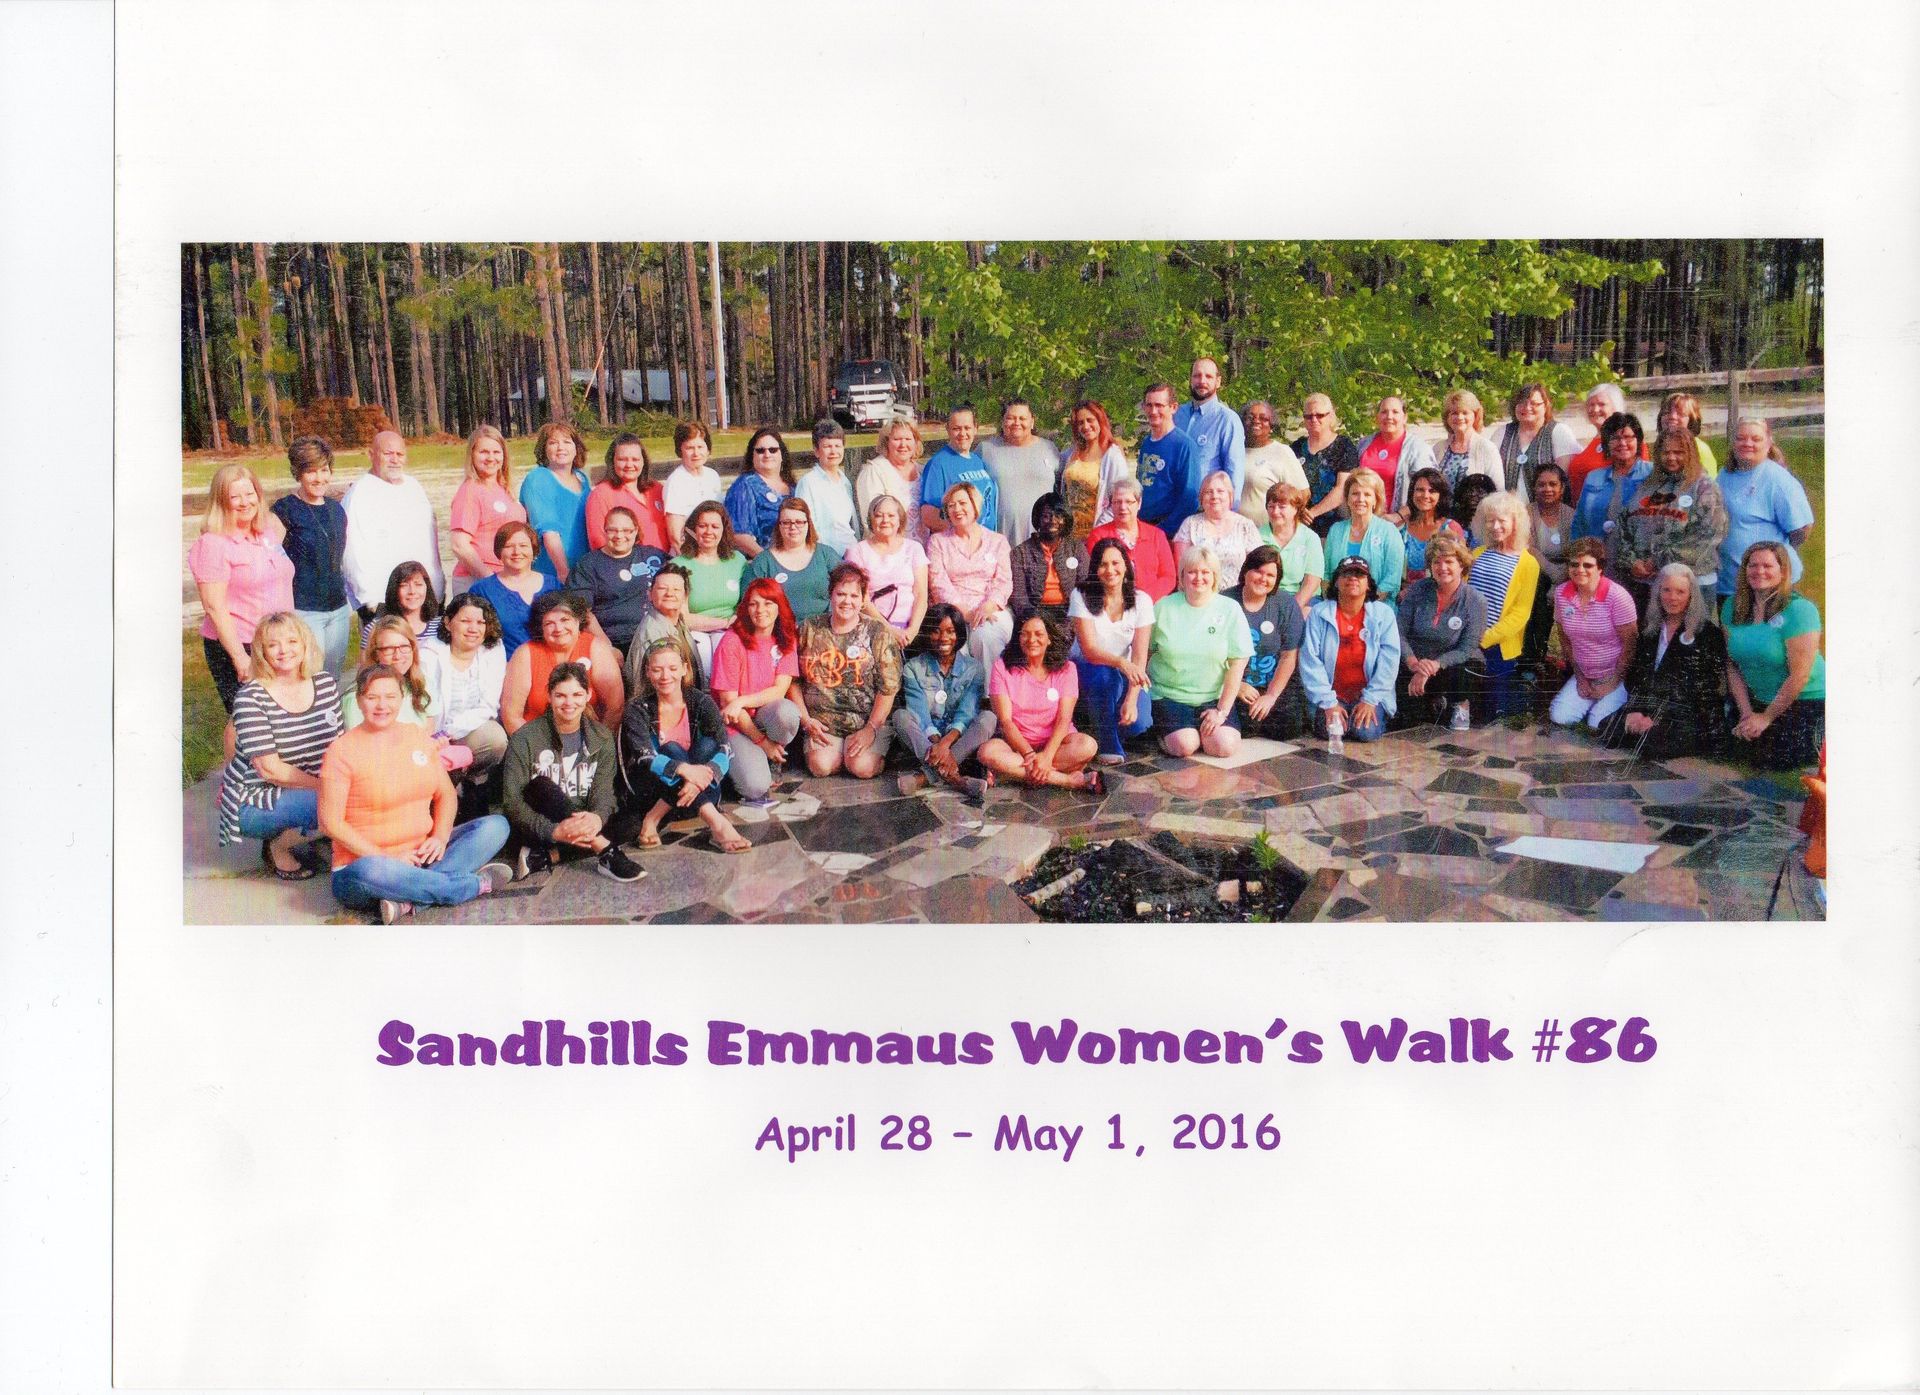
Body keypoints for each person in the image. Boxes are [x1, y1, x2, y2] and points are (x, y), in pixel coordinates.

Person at [318, 664, 513, 923]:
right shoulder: (341, 751)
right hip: (368, 865)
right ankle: (468, 887)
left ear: (402, 699)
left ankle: (408, 901)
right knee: (371, 871)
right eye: (372, 697)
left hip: (422, 855)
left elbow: (446, 795)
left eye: (390, 697)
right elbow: (330, 823)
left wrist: (441, 837)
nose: (381, 705)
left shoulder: (415, 736)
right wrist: (388, 857)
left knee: (496, 826)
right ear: (359, 700)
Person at [216, 612, 343, 879]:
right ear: (262, 652)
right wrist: (327, 787)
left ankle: (323, 834)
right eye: (273, 645)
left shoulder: (325, 685)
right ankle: (278, 846)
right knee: (341, 801)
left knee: (358, 795)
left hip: (307, 786)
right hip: (257, 798)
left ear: (305, 644)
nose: (284, 650)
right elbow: (270, 770)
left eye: (292, 641)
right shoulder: (252, 697)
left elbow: (339, 749)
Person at [502, 661, 645, 880]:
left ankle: (548, 857)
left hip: (583, 821)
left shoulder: (601, 737)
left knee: (633, 822)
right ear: (549, 696)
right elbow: (513, 803)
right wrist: (553, 831)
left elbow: (603, 791)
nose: (569, 703)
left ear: (588, 695)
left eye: (577, 695)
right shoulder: (525, 738)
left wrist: (597, 818)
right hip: (539, 824)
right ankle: (605, 851)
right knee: (541, 785)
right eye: (560, 696)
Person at [615, 642, 750, 853]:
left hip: (702, 789)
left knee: (708, 745)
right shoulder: (637, 708)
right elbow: (644, 756)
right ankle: (717, 824)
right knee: (671, 750)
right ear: (648, 672)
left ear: (684, 669)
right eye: (657, 669)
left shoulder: (701, 701)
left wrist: (697, 781)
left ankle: (654, 818)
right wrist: (686, 770)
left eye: (672, 668)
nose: (665, 676)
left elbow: (725, 748)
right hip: (652, 790)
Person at [191, 461, 297, 712]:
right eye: (234, 496)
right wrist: (240, 658)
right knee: (250, 722)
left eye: (250, 494)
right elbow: (214, 607)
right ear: (221, 501)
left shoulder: (266, 533)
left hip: (277, 640)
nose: (244, 502)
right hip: (240, 646)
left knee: (283, 715)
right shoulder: (213, 544)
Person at [1599, 563, 1726, 758]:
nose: (1672, 598)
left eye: (1680, 592)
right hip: (1651, 705)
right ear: (1658, 592)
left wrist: (1656, 718)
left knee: (1651, 744)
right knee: (1606, 728)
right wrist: (1636, 711)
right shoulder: (1650, 629)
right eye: (1666, 590)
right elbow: (1637, 676)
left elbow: (1698, 688)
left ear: (1691, 595)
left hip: (1688, 712)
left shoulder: (1707, 633)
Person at [792, 564, 904, 780]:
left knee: (862, 767)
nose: (847, 601)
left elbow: (888, 688)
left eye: (854, 595)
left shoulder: (877, 632)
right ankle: (836, 752)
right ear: (830, 595)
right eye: (841, 594)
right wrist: (806, 721)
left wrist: (870, 729)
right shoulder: (809, 628)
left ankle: (878, 749)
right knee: (821, 767)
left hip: (867, 720)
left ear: (863, 599)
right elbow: (792, 680)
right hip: (822, 722)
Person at [1722, 540, 1824, 769]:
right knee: (1732, 747)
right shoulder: (1732, 606)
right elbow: (1732, 664)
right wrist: (1747, 713)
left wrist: (1766, 718)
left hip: (1805, 700)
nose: (1759, 571)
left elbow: (1799, 676)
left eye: (1768, 566)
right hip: (1757, 701)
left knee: (1772, 758)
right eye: (1753, 565)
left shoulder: (1800, 610)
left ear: (1783, 571)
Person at [977, 609, 1103, 792]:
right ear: (1017, 638)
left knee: (1088, 746)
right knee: (988, 752)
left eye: (1038, 634)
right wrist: (1029, 754)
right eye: (1025, 634)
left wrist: (1046, 756)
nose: (1031, 640)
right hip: (1017, 746)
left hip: (1057, 744)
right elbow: (1005, 721)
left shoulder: (1067, 669)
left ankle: (1011, 773)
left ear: (1050, 638)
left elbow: (1064, 719)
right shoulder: (1002, 667)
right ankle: (1067, 780)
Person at [1148, 545, 1253, 757]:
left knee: (1224, 747)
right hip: (1170, 696)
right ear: (1182, 576)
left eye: (1206, 572)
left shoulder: (1230, 609)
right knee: (1184, 745)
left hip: (1213, 696)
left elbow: (1237, 664)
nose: (1199, 578)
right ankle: (1166, 733)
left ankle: (1203, 733)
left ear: (1215, 577)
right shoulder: (1162, 607)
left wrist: (1221, 711)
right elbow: (1146, 652)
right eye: (1192, 572)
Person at [709, 579, 802, 804]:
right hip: (735, 726)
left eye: (768, 603)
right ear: (745, 608)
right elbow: (729, 707)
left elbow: (780, 691)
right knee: (755, 787)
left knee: (788, 713)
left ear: (780, 607)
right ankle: (746, 761)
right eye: (753, 604)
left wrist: (742, 700)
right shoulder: (732, 642)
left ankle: (768, 758)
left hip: (764, 716)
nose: (760, 610)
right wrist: (762, 742)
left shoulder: (786, 639)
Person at [892, 603, 994, 799]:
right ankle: (956, 780)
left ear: (959, 634)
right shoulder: (913, 667)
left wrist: (946, 745)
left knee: (988, 718)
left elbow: (967, 713)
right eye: (936, 631)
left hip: (958, 738)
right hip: (926, 740)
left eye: (950, 631)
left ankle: (925, 777)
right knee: (901, 716)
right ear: (927, 633)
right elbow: (919, 714)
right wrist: (938, 746)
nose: (943, 638)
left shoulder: (975, 669)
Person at [1068, 537, 1156, 763]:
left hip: (1126, 670)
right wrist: (1122, 663)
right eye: (1103, 564)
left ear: (1126, 566)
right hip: (1088, 666)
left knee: (1139, 722)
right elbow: (1089, 650)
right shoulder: (1081, 595)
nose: (1110, 570)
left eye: (1116, 563)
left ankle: (1102, 724)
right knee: (1105, 677)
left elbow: (1139, 655)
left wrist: (1131, 698)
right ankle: (1109, 742)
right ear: (1095, 569)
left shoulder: (1142, 600)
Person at [1617, 428, 1729, 602]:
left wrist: (1657, 561)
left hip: (1692, 583)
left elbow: (1707, 537)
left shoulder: (1705, 488)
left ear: (1690, 453)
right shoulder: (1648, 486)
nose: (1671, 457)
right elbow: (1625, 524)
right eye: (1666, 452)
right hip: (1646, 584)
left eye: (1678, 452)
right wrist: (1631, 562)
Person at [1298, 555, 1401, 743]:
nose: (1352, 578)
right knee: (1331, 731)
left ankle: (1375, 715)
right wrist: (1329, 703)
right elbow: (1310, 661)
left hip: (1369, 694)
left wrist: (1370, 700)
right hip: (1332, 695)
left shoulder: (1383, 614)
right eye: (1346, 574)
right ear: (1336, 582)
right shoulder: (1319, 613)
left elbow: (1389, 662)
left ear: (1368, 584)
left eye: (1359, 575)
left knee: (1365, 733)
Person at [341, 429, 443, 615]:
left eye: (399, 454)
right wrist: (369, 601)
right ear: (371, 455)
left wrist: (437, 590)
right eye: (388, 454)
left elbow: (430, 545)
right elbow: (352, 555)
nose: (395, 460)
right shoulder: (360, 494)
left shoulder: (414, 487)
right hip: (382, 602)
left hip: (422, 599)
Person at [272, 436, 352, 673]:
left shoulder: (336, 509)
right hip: (304, 609)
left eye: (324, 470)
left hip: (338, 608)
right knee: (309, 675)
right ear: (298, 473)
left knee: (333, 677)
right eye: (311, 471)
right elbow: (268, 562)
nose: (319, 478)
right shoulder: (284, 510)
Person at [1715, 414, 1814, 601]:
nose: (1747, 443)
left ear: (1768, 443)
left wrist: (1775, 552)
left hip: (1768, 583)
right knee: (1731, 630)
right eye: (1741, 438)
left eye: (1756, 439)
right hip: (1730, 582)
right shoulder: (1724, 475)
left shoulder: (1779, 480)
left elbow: (1802, 528)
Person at [1394, 534, 1486, 730]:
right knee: (1409, 721)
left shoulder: (1475, 600)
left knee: (1470, 666)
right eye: (1437, 562)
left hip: (1451, 665)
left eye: (1449, 561)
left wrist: (1435, 665)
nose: (1442, 567)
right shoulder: (1418, 590)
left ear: (1462, 565)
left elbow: (1467, 648)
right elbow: (1399, 632)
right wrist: (1413, 663)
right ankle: (1435, 702)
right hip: (1416, 662)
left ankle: (1460, 704)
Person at [500, 590, 624, 735]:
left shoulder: (596, 648)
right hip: (536, 740)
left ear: (578, 621)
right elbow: (511, 715)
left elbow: (615, 706)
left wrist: (599, 745)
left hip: (588, 741)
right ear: (541, 627)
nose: (558, 629)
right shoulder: (525, 653)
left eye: (565, 620)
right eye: (549, 623)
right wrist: (535, 749)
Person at [1547, 538, 1638, 730]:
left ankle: (1614, 701)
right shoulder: (1562, 594)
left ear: (1600, 568)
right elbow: (1565, 639)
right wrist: (1580, 677)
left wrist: (1613, 682)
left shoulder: (1617, 596)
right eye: (1574, 564)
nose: (1580, 570)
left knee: (1598, 724)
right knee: (1560, 716)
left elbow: (1630, 645)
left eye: (1587, 565)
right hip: (1585, 674)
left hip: (1616, 675)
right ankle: (1594, 703)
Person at [421, 590, 510, 782]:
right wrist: (435, 737)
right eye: (465, 621)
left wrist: (450, 732)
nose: (473, 628)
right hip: (432, 733)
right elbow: (426, 707)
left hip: (466, 729)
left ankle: (471, 782)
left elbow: (488, 705)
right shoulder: (428, 653)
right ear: (448, 623)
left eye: (480, 623)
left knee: (496, 738)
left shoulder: (493, 650)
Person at [1466, 491, 1541, 718]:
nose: (1495, 526)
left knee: (1491, 713)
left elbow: (1521, 613)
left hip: (1498, 646)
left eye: (1502, 520)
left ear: (1515, 522)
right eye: (1490, 520)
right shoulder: (1476, 554)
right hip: (1466, 640)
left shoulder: (1528, 563)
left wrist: (1486, 637)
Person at [1224, 544, 1308, 740]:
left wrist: (1271, 696)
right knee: (1243, 724)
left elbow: (1289, 656)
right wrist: (1237, 686)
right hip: (1236, 684)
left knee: (1289, 726)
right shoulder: (1225, 602)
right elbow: (1213, 655)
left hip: (1272, 682)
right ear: (1246, 571)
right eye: (1258, 571)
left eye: (1270, 575)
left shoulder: (1285, 604)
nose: (1263, 579)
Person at [927, 482, 1015, 665]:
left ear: (975, 505)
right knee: (956, 645)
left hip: (990, 609)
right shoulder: (937, 542)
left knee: (987, 636)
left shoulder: (997, 541)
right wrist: (966, 614)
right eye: (951, 506)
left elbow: (1003, 581)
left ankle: (991, 693)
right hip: (952, 611)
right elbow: (938, 584)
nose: (957, 509)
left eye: (962, 503)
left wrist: (988, 606)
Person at [567, 505, 668, 655]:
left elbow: (681, 574)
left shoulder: (653, 556)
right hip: (611, 640)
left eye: (626, 530)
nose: (619, 536)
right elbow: (582, 611)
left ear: (635, 531)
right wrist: (608, 647)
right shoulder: (589, 564)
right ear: (605, 531)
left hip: (654, 636)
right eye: (613, 530)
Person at [844, 494, 929, 648]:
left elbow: (921, 593)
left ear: (900, 520)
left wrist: (912, 631)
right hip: (872, 630)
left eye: (891, 515)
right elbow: (862, 598)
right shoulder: (857, 551)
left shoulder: (914, 548)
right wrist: (889, 630)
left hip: (912, 631)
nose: (885, 520)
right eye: (878, 516)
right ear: (871, 519)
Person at [448, 424, 528, 588]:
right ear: (472, 455)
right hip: (479, 581)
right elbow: (459, 545)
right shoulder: (470, 490)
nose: (491, 458)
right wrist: (491, 581)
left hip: (507, 579)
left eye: (496, 452)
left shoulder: (505, 490)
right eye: (484, 452)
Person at [465, 521, 560, 659]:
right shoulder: (482, 590)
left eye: (523, 546)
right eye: (509, 546)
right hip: (504, 666)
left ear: (534, 550)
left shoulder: (553, 585)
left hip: (551, 663)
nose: (517, 552)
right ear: (499, 552)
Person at [1571, 411, 1654, 566]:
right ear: (1606, 444)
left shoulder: (1653, 475)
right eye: (1616, 438)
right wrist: (1577, 556)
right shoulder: (1593, 477)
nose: (1622, 443)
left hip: (1640, 563)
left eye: (1628, 437)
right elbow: (1579, 521)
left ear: (1639, 442)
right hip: (1599, 561)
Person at [742, 497, 841, 624]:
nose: (793, 527)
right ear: (779, 525)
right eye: (787, 522)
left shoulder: (826, 555)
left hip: (824, 630)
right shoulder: (763, 562)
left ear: (808, 524)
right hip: (780, 634)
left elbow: (848, 587)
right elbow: (747, 602)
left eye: (799, 522)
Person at [677, 499, 748, 675]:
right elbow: (682, 617)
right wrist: (723, 623)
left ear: (723, 530)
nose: (709, 531)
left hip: (732, 630)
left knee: (726, 645)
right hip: (694, 631)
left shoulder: (737, 560)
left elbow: (747, 602)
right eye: (703, 526)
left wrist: (734, 622)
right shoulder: (678, 565)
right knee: (703, 653)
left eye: (715, 527)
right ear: (693, 528)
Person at [517, 420, 591, 582]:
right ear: (544, 449)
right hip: (552, 570)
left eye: (566, 442)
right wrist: (563, 571)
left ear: (576, 447)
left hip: (585, 568)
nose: (561, 447)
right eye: (553, 443)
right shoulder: (538, 479)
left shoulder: (583, 478)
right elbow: (547, 529)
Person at [1410, 389, 1506, 512]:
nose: (1460, 417)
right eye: (1454, 413)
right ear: (1447, 417)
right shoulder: (1438, 448)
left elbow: (1498, 492)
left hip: (1475, 521)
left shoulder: (1487, 448)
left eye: (1465, 413)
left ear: (1475, 416)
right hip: (1441, 521)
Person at [981, 398, 1059, 547]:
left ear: (1032, 422)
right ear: (1003, 421)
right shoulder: (986, 450)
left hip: (1044, 539)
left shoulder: (1049, 449)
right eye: (1010, 418)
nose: (1017, 423)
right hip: (1000, 541)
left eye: (1022, 418)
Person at [1321, 466, 1406, 601]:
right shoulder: (1336, 530)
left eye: (1367, 494)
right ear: (1347, 499)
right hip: (1336, 606)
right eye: (1355, 493)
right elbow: (1326, 574)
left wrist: (1361, 609)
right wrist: (1334, 604)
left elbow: (1391, 580)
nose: (1360, 499)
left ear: (1375, 500)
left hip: (1377, 607)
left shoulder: (1389, 532)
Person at [1087, 476, 1177, 602]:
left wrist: (1143, 600)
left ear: (1139, 503)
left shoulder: (1157, 535)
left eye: (1129, 502)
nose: (1123, 507)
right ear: (1111, 505)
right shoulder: (1098, 536)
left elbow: (1169, 577)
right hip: (1112, 604)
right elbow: (1094, 576)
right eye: (1117, 502)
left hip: (1152, 605)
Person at [342, 617, 441, 729]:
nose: (397, 656)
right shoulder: (357, 697)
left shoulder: (423, 684)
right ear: (375, 654)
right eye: (388, 649)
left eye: (404, 647)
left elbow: (429, 732)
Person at [1523, 463, 1576, 670]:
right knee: (1537, 596)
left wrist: (1559, 584)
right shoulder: (1526, 513)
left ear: (1562, 488)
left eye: (1553, 484)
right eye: (1541, 485)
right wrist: (1554, 578)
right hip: (1538, 574)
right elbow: (1530, 550)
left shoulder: (1571, 515)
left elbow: (1574, 552)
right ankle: (1532, 660)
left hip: (1568, 574)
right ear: (1534, 488)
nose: (1547, 489)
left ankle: (1573, 661)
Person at [920, 403, 1001, 536]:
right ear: (948, 429)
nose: (962, 433)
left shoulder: (977, 461)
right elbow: (929, 516)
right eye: (956, 428)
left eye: (967, 428)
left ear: (975, 428)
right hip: (961, 545)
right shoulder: (938, 464)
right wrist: (960, 537)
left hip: (987, 543)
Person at [1173, 470, 1263, 589]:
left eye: (1220, 491)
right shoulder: (1190, 524)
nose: (1214, 496)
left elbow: (1258, 565)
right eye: (1208, 492)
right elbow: (1181, 567)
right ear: (1201, 497)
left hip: (1237, 595)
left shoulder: (1245, 526)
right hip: (1198, 593)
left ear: (1230, 496)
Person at [1133, 382, 1203, 537]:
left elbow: (1190, 498)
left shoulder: (1184, 445)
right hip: (1143, 526)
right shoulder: (1147, 443)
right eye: (1149, 405)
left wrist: (1164, 530)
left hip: (1168, 531)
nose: (1153, 411)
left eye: (1159, 405)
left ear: (1173, 407)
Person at [1009, 492, 1090, 625]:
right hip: (1034, 616)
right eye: (1046, 516)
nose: (1053, 521)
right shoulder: (1020, 553)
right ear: (1037, 519)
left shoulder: (1077, 548)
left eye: (1059, 516)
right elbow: (1019, 597)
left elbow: (1086, 587)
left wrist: (1075, 616)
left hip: (1071, 614)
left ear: (1066, 519)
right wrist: (1034, 619)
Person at [1488, 381, 1578, 497]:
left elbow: (1562, 478)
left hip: (1546, 510)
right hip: (1509, 511)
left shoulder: (1559, 432)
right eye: (1521, 403)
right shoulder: (1502, 433)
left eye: (1534, 404)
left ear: (1545, 406)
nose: (1527, 407)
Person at [1173, 356, 1247, 498]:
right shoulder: (1176, 415)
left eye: (1208, 376)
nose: (1202, 381)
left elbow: (1234, 475)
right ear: (1190, 379)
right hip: (1171, 506)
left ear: (1218, 382)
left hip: (1206, 508)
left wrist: (1228, 514)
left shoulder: (1228, 420)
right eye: (1197, 376)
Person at [1056, 399, 1130, 538]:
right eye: (1080, 422)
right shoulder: (1070, 453)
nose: (1086, 426)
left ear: (1100, 421)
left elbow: (1121, 497)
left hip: (1098, 534)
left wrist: (1099, 531)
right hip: (1069, 535)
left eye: (1090, 420)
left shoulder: (1112, 455)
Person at [585, 431, 668, 554]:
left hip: (664, 564)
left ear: (643, 461)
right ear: (612, 461)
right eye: (622, 459)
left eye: (635, 459)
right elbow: (598, 541)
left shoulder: (657, 488)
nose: (629, 465)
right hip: (629, 569)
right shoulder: (601, 494)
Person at [1353, 395, 1434, 519]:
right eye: (1384, 412)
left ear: (1404, 417)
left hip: (1399, 523)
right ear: (1377, 417)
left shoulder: (1418, 448)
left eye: (1395, 412)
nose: (1389, 416)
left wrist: (1400, 515)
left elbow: (1430, 491)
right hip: (1363, 520)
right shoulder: (1364, 444)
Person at [625, 562, 699, 693]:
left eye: (676, 589)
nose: (669, 593)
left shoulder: (678, 623)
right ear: (650, 594)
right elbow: (642, 689)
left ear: (685, 596)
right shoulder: (651, 633)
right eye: (662, 588)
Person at [1294, 392, 1360, 536]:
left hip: (1335, 528)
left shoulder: (1344, 446)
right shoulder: (1296, 448)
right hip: (1300, 527)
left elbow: (1342, 487)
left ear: (1330, 416)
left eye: (1319, 415)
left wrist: (1313, 513)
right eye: (1309, 416)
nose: (1314, 419)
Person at [724, 428, 795, 559]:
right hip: (759, 562)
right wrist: (769, 561)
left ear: (782, 455)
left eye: (773, 450)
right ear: (752, 456)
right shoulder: (744, 486)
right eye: (760, 450)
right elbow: (738, 535)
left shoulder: (793, 487)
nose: (767, 454)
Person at [856, 417, 928, 546]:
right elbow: (871, 520)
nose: (903, 445)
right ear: (886, 442)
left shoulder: (923, 471)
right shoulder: (875, 471)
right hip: (888, 552)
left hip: (922, 552)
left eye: (908, 439)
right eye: (897, 439)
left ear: (916, 442)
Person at [1237, 399, 1309, 526]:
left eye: (1264, 418)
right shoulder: (1233, 450)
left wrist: (1284, 522)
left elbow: (1303, 493)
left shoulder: (1282, 452)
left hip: (1268, 532)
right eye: (1250, 417)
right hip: (1235, 532)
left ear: (1271, 426)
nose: (1256, 421)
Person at [794, 419, 861, 554]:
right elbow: (807, 525)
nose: (833, 451)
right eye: (827, 446)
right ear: (817, 451)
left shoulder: (844, 482)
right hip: (825, 555)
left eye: (838, 445)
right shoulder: (809, 483)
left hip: (850, 551)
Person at [1561, 384, 1636, 501]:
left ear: (1615, 407)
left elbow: (1635, 484)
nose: (1595, 409)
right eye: (1591, 404)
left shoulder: (1628, 440)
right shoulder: (1594, 441)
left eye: (1601, 404)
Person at [660, 419, 726, 551]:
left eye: (700, 447)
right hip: (689, 553)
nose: (696, 453)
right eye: (690, 448)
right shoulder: (676, 481)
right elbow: (675, 537)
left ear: (708, 449)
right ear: (680, 450)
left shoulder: (712, 476)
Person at [1258, 482, 1324, 610]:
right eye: (1271, 506)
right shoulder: (1257, 536)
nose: (1275, 512)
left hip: (1304, 599)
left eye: (1282, 507)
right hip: (1267, 597)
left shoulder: (1310, 538)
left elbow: (1312, 580)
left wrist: (1292, 610)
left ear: (1296, 509)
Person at [1398, 468, 1467, 585]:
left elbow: (1461, 570)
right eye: (1420, 490)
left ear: (1441, 496)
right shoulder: (1400, 529)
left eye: (1432, 491)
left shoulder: (1451, 528)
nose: (1425, 495)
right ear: (1412, 493)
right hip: (1401, 597)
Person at [359, 560, 442, 651]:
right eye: (404, 585)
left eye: (418, 584)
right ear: (394, 590)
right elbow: (367, 663)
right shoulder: (375, 628)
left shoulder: (441, 626)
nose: (412, 591)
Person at [1658, 391, 1719, 478]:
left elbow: (1710, 486)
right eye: (1667, 412)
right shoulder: (1660, 447)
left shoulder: (1700, 449)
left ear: (1692, 421)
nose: (1672, 417)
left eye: (1680, 414)